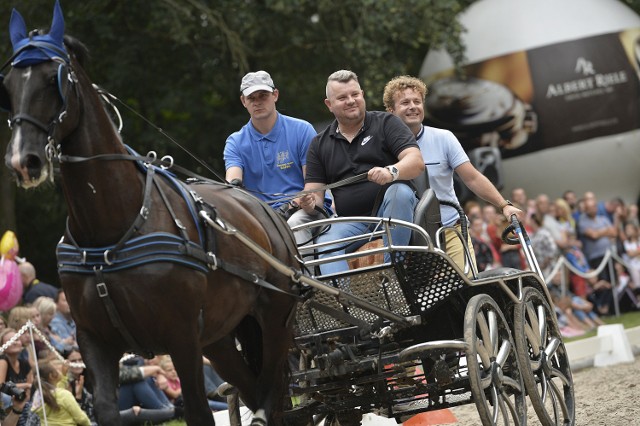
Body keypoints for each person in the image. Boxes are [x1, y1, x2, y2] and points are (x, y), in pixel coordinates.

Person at [382, 75, 523, 271]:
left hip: (450, 229)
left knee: (467, 290)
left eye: (417, 101)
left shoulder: (443, 137)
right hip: (408, 238)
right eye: (405, 102)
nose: (412, 106)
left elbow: (472, 177)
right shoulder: (381, 145)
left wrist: (504, 205)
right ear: (391, 110)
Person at [302, 70, 424, 275]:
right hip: (352, 222)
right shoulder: (318, 144)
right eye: (342, 97)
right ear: (329, 105)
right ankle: (343, 303)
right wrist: (308, 202)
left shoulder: (386, 122)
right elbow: (314, 195)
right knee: (325, 242)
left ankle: (393, 274)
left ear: (363, 95)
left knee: (400, 192)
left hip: (392, 213)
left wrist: (391, 172)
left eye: (355, 94)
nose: (351, 101)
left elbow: (416, 161)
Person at [223, 70, 332, 246]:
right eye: (252, 98)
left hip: (306, 210)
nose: (257, 102)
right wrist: (232, 185)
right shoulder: (235, 142)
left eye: (263, 95)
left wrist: (289, 206)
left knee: (294, 224)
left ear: (275, 95)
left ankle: (306, 274)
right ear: (244, 101)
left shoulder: (302, 130)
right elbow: (233, 179)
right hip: (261, 218)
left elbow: (312, 187)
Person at [578, 196, 616, 315]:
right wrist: (605, 231)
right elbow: (593, 235)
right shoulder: (582, 221)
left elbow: (614, 232)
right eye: (589, 207)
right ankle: (601, 307)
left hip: (608, 255)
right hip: (595, 257)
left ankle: (607, 307)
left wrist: (599, 232)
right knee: (602, 283)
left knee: (613, 280)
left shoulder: (602, 218)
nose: (592, 209)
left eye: (594, 206)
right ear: (585, 208)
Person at [31, 359, 91, 425]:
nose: (60, 370)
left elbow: (56, 392)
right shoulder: (64, 395)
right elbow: (81, 418)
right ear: (51, 376)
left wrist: (64, 375)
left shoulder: (38, 396)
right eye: (57, 370)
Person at [0, 328, 34, 411]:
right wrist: (25, 385)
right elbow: (1, 386)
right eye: (10, 340)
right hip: (7, 406)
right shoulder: (2, 361)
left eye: (17, 340)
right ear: (2, 346)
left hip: (24, 402)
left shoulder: (24, 363)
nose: (14, 342)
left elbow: (32, 385)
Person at [49, 291, 77, 355]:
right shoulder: (54, 322)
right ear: (56, 304)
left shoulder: (76, 320)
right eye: (65, 300)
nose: (69, 303)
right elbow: (69, 346)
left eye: (71, 300)